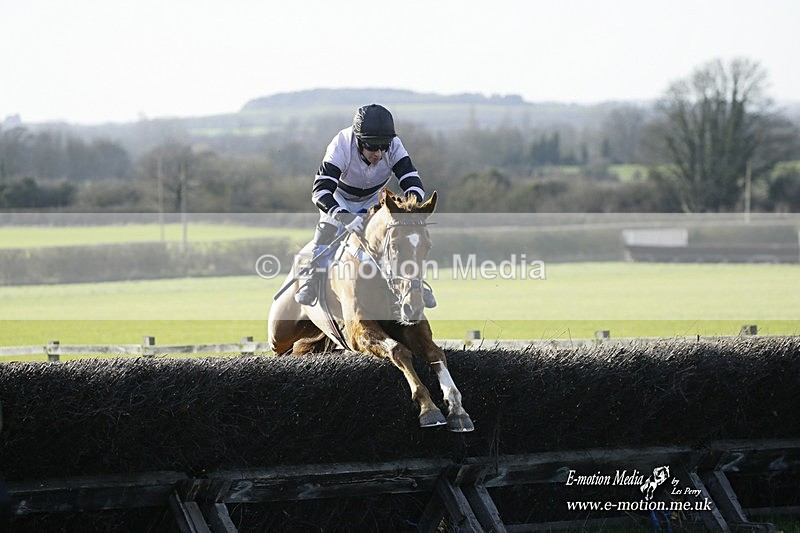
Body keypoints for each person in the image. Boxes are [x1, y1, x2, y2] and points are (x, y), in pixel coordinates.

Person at [294, 103, 437, 308]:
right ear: (359, 140)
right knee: (329, 227)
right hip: (338, 197)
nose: (378, 153)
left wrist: (410, 210)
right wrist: (344, 216)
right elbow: (320, 191)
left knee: (396, 235)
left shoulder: (394, 145)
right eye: (372, 146)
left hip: (372, 198)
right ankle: (312, 277)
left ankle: (414, 285)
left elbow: (412, 181)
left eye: (383, 146)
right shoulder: (341, 144)